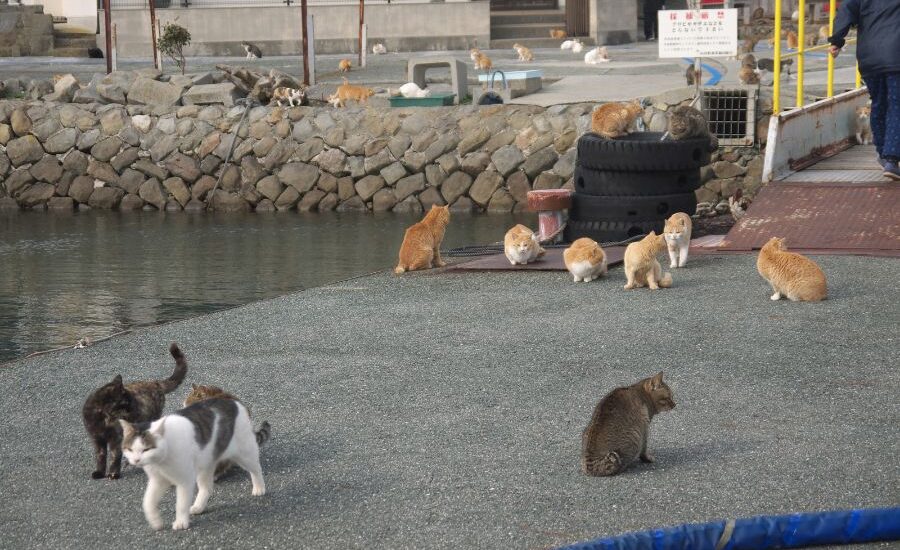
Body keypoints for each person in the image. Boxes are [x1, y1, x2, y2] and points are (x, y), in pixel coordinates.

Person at [828, 0, 900, 180]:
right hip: (896, 56)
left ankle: (883, 153)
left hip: (869, 59)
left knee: (879, 103)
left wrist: (837, 39)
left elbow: (846, 10)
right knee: (896, 105)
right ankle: (891, 158)